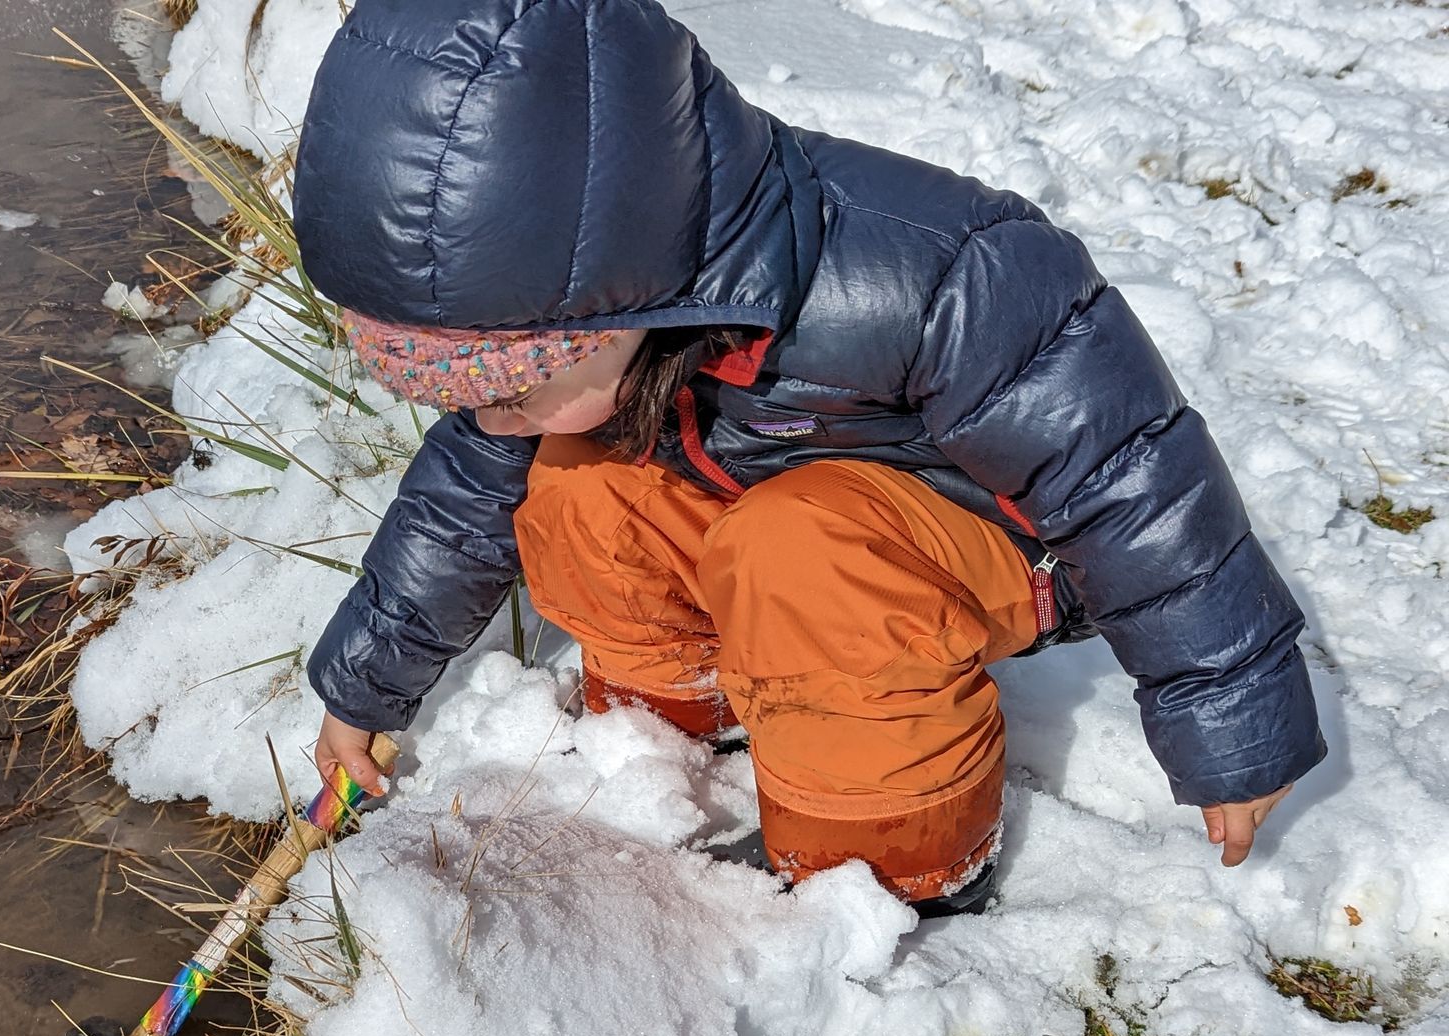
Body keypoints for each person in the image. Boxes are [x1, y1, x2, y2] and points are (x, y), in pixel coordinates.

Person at [290, 0, 1325, 915]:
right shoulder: (586, 331)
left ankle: (885, 862)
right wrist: (363, 691)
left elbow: (1129, 488)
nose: (495, 418)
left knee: (800, 545)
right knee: (578, 480)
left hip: (980, 550)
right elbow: (460, 501)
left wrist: (1232, 727)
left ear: (623, 296)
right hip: (776, 520)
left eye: (512, 386)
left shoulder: (946, 273)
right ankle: (683, 721)